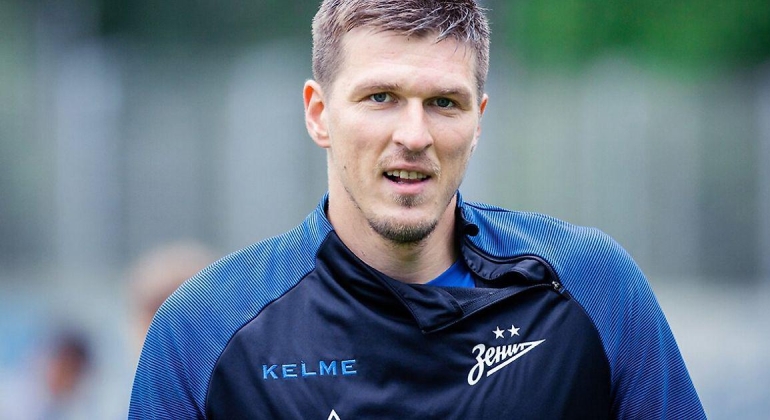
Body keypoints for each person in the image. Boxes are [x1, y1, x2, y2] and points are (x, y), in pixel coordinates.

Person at [129, 0, 705, 418]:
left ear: (478, 121)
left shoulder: (594, 289)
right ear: (319, 114)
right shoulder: (203, 329)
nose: (414, 134)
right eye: (381, 97)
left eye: (444, 102)